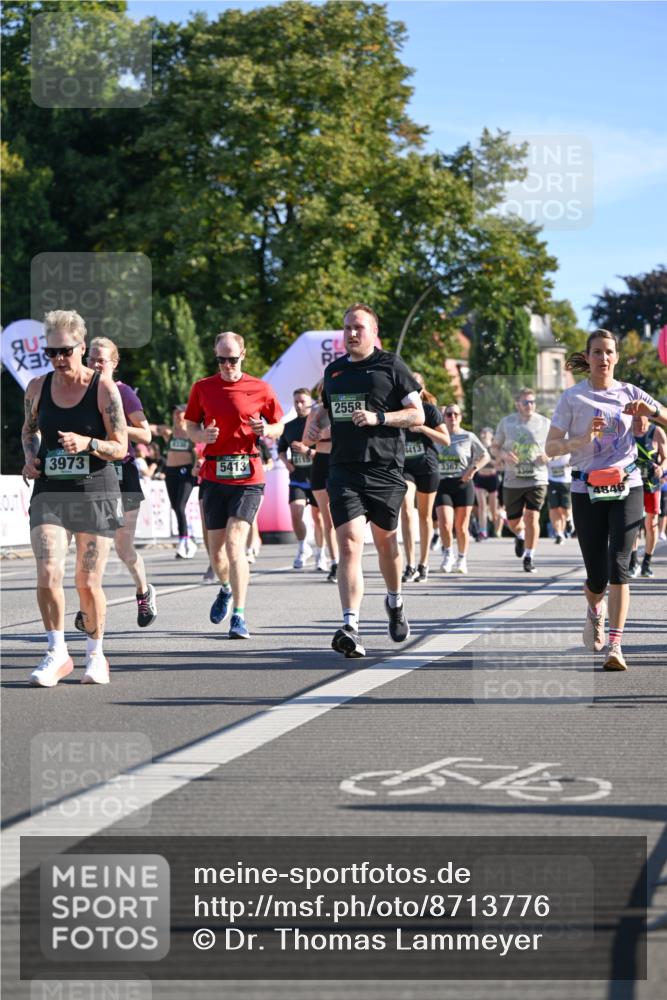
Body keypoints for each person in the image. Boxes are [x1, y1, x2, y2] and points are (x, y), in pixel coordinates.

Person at [545, 328, 666, 671]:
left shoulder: (630, 392)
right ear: (588, 357)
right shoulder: (572, 398)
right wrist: (580, 439)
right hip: (586, 490)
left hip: (627, 484)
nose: (604, 358)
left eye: (609, 352)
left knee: (620, 564)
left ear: (615, 356)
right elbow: (550, 448)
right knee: (597, 577)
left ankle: (616, 644)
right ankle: (594, 609)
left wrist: (652, 411)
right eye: (597, 352)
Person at [21, 310, 128, 687]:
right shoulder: (37, 387)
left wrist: (89, 443)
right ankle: (56, 652)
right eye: (51, 352)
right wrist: (30, 458)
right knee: (49, 573)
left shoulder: (103, 389)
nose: (58, 359)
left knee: (87, 582)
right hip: (51, 491)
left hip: (95, 492)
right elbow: (29, 431)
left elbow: (121, 447)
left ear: (82, 347)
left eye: (65, 351)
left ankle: (96, 654)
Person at [322, 303, 424, 658]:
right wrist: (315, 422)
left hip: (385, 470)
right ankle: (350, 624)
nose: (351, 333)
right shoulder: (333, 372)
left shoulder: (392, 366)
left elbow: (417, 414)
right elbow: (326, 408)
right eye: (347, 327)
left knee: (387, 545)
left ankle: (395, 602)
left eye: (359, 327)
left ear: (373, 332)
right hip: (344, 470)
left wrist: (379, 417)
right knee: (350, 542)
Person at [184, 331, 284, 639]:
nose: (227, 365)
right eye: (221, 360)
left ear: (243, 355)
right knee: (216, 555)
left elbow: (279, 426)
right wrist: (201, 436)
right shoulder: (202, 388)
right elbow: (189, 425)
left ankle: (239, 616)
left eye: (232, 359)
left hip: (249, 476)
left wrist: (266, 428)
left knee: (234, 543)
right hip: (214, 475)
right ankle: (225, 589)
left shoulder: (261, 388)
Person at [74, 337, 157, 627]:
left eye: (101, 360)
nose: (95, 364)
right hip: (92, 473)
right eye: (91, 359)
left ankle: (143, 591)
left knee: (122, 547)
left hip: (123, 473)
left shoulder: (123, 393)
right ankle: (88, 601)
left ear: (114, 363)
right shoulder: (78, 392)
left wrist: (115, 427)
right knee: (92, 543)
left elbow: (145, 435)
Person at [493, 388, 550, 573]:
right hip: (513, 479)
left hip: (537, 477)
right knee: (513, 522)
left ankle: (529, 556)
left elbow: (558, 446)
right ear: (517, 404)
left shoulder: (545, 423)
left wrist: (548, 456)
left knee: (532, 516)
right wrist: (503, 455)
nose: (530, 405)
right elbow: (494, 448)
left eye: (533, 402)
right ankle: (520, 535)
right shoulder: (506, 423)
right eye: (526, 402)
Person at [400, 373, 449, 582]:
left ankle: (424, 563)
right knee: (406, 509)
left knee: (425, 516)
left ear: (421, 390)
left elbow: (445, 440)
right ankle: (410, 564)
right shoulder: (399, 412)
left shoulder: (430, 411)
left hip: (427, 467)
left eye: (416, 387)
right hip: (405, 468)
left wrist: (422, 428)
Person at [435, 406, 489, 574]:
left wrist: (473, 469)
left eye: (455, 414)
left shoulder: (468, 436)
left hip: (463, 484)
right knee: (445, 523)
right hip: (442, 483)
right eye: (448, 414)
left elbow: (485, 455)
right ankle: (448, 554)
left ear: (460, 417)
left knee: (462, 526)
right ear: (443, 417)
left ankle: (462, 558)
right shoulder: (436, 436)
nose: (452, 417)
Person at [277, 388, 325, 570]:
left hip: (317, 476)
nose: (299, 405)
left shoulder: (318, 424)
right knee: (296, 513)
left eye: (302, 401)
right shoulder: (289, 426)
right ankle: (303, 546)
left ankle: (321, 554)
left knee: (318, 517)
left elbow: (327, 451)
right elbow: (281, 449)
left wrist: (308, 452)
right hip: (297, 477)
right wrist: (286, 462)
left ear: (310, 402)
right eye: (296, 401)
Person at [303, 386, 339, 582]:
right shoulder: (316, 412)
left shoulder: (345, 407)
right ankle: (335, 562)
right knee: (328, 519)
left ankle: (348, 559)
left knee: (345, 518)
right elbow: (305, 441)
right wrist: (316, 435)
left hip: (342, 463)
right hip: (322, 464)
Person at [153, 406, 198, 558]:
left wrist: (196, 467)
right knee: (175, 507)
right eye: (175, 416)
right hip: (170, 472)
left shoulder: (191, 434)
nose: (177, 419)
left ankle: (184, 541)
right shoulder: (169, 433)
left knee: (180, 506)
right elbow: (152, 429)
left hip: (186, 472)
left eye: (180, 416)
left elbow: (199, 451)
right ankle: (188, 538)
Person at [628, 412, 667, 578]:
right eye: (634, 418)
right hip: (631, 483)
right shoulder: (627, 431)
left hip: (651, 483)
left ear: (648, 417)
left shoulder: (656, 431)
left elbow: (665, 458)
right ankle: (633, 562)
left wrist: (661, 468)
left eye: (640, 418)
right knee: (633, 524)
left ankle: (647, 563)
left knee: (651, 524)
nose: (637, 421)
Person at [473, 427, 503, 539]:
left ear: (491, 435)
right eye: (483, 432)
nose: (484, 434)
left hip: (492, 479)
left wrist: (487, 459)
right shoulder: (477, 448)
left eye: (487, 432)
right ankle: (483, 531)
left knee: (493, 512)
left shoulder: (495, 449)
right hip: (480, 478)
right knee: (481, 506)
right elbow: (473, 462)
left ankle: (500, 519)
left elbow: (499, 465)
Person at [547, 451, 572, 545]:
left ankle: (569, 520)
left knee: (565, 509)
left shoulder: (567, 437)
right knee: (554, 509)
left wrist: (550, 456)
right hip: (551, 480)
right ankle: (559, 534)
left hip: (566, 480)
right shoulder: (544, 438)